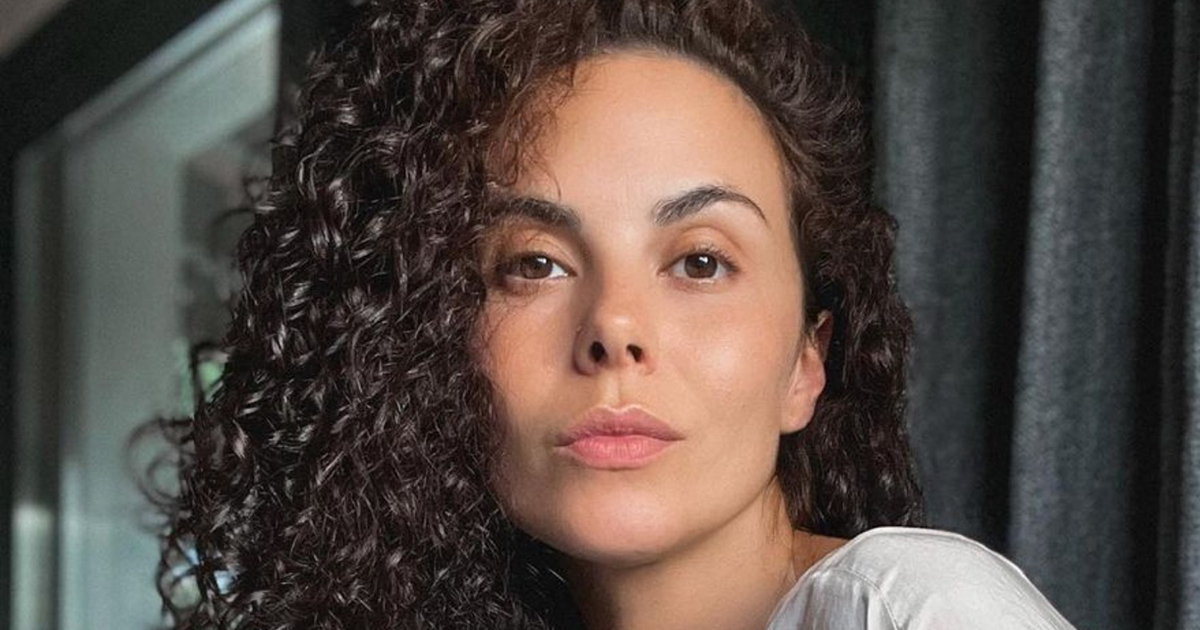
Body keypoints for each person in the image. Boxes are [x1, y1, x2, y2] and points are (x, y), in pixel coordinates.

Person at [149, 0, 1079, 628]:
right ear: (425, 345)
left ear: (807, 363)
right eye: (535, 265)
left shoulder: (912, 609)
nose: (614, 329)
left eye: (701, 262)